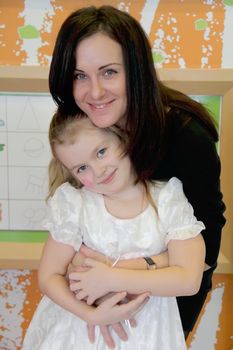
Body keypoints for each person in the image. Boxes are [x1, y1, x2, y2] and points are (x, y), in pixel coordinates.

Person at [48, 4, 226, 344]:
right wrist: (88, 290)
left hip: (162, 309)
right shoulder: (80, 129)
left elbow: (203, 255)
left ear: (136, 68)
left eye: (109, 72)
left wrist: (116, 273)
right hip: (87, 310)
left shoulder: (186, 137)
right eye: (79, 75)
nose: (95, 92)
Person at [22, 111, 205, 350]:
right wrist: (90, 315)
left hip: (148, 332)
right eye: (81, 168)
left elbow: (188, 280)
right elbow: (48, 277)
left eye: (101, 152)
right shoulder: (74, 204)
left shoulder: (167, 198)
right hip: (78, 331)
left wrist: (111, 278)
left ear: (123, 138)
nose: (97, 171)